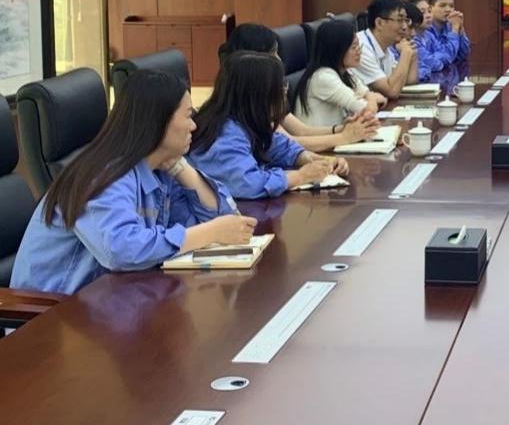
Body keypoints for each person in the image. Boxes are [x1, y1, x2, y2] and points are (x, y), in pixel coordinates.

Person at [11, 70, 253, 295]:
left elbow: (225, 220)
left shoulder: (157, 169)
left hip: (107, 301)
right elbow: (120, 249)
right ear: (158, 122)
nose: (194, 125)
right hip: (50, 313)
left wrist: (180, 167)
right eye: (188, 115)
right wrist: (209, 233)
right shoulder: (104, 173)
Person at [189, 52, 349, 199]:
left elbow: (280, 147)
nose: (284, 93)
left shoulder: (246, 122)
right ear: (258, 96)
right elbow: (247, 184)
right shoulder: (225, 135)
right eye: (280, 88)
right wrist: (301, 176)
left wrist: (320, 162)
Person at [220, 23, 378, 148]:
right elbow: (288, 143)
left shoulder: (266, 95)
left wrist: (341, 129)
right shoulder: (245, 102)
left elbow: (302, 131)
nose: (279, 60)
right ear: (252, 58)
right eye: (273, 53)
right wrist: (343, 137)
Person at [294, 19, 386, 127]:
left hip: (339, 134)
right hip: (324, 137)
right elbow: (368, 110)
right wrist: (371, 99)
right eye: (353, 47)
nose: (359, 51)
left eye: (358, 46)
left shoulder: (345, 72)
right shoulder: (323, 77)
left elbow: (377, 98)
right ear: (337, 49)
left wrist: (369, 97)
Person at [351, 0, 419, 98]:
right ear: (379, 23)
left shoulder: (385, 47)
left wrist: (412, 55)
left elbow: (409, 81)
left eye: (406, 20)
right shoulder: (361, 49)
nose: (405, 27)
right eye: (399, 20)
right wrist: (405, 54)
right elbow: (392, 91)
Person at [396, 0, 446, 81]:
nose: (413, 33)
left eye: (429, 11)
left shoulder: (428, 35)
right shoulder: (392, 48)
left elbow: (425, 69)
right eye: (410, 28)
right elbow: (399, 79)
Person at [421, 0, 471, 68]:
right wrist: (455, 30)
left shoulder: (451, 25)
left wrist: (460, 29)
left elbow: (463, 55)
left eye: (451, 6)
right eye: (442, 6)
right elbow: (446, 56)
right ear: (430, 8)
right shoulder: (425, 29)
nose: (448, 10)